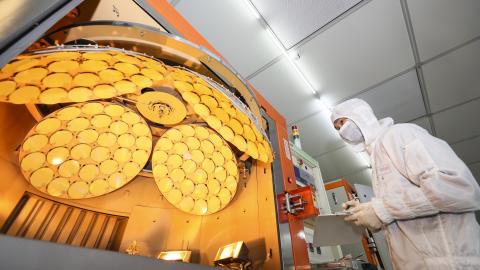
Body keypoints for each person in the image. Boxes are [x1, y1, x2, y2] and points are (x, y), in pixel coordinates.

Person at [330, 98, 480, 270]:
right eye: (337, 128)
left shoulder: (399, 134)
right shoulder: (377, 158)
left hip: (451, 264)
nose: (342, 131)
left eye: (342, 122)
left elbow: (457, 187)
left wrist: (382, 209)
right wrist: (368, 211)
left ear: (361, 115)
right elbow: (405, 209)